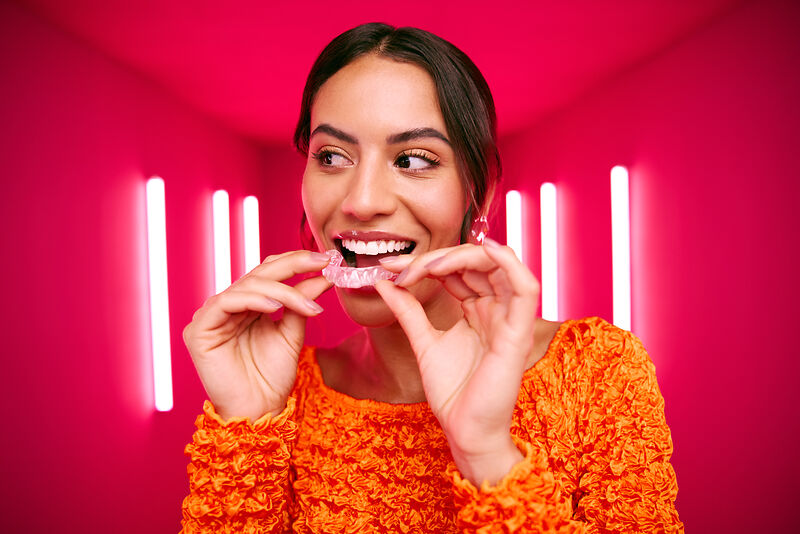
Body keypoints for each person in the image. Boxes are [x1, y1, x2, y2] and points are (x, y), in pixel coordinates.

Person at [180, 23, 683, 533]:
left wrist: (487, 455)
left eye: (413, 160)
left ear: (478, 194)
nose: (361, 201)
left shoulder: (599, 373)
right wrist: (246, 425)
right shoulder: (282, 393)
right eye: (331, 156)